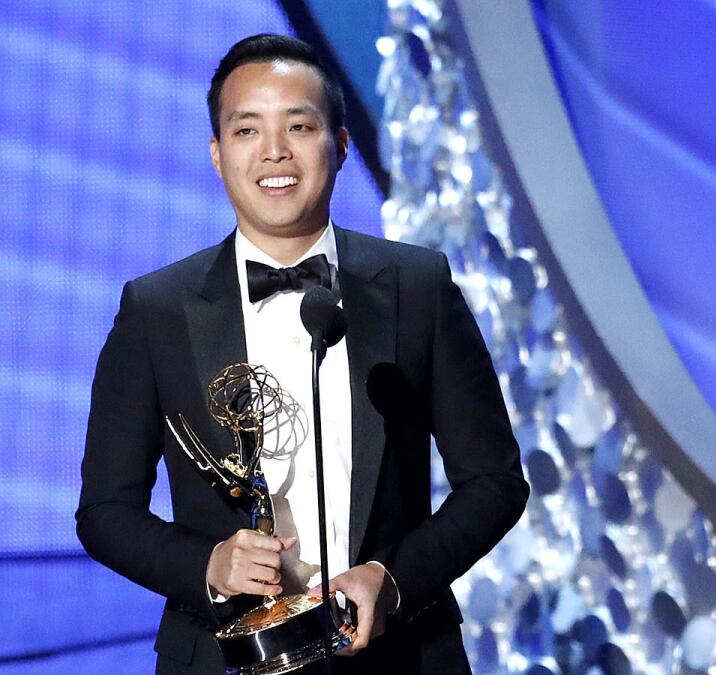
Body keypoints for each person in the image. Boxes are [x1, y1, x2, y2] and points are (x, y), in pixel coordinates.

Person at [77, 34, 528, 674]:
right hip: (223, 655)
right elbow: (105, 512)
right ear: (216, 153)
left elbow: (494, 483)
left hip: (401, 654)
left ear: (340, 146)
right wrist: (209, 564)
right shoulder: (155, 310)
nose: (274, 153)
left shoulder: (418, 287)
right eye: (247, 130)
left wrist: (390, 579)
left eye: (299, 125)